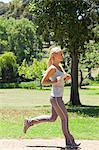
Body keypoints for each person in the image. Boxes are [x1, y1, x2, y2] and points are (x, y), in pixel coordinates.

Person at [23, 46, 80, 148]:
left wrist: (66, 78)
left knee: (52, 118)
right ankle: (69, 141)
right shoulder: (52, 68)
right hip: (56, 98)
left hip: (58, 97)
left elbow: (60, 79)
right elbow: (43, 82)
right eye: (60, 54)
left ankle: (29, 122)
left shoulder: (60, 66)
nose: (62, 55)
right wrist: (55, 81)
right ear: (54, 56)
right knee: (64, 118)